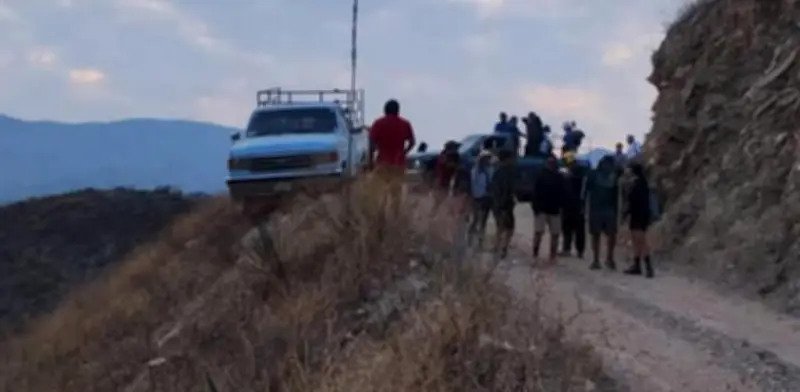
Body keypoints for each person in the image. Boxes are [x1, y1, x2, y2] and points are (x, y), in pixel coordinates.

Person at [585, 155, 620, 270]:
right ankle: (602, 259)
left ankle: (604, 259)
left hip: (604, 208)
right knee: (600, 234)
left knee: (604, 235)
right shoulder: (610, 176)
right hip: (601, 208)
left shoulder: (613, 176)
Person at [532, 155, 566, 265]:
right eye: (550, 162)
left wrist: (562, 206)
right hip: (542, 208)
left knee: (555, 234)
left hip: (554, 209)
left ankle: (552, 255)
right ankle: (535, 254)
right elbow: (535, 192)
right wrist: (535, 207)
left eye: (553, 162)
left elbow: (563, 193)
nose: (551, 164)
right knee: (539, 232)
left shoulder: (559, 177)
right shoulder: (541, 175)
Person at [623, 162, 654, 278]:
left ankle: (647, 266)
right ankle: (637, 265)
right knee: (637, 241)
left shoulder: (637, 185)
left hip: (638, 215)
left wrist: (626, 213)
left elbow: (632, 201)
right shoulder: (643, 183)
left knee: (641, 241)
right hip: (642, 215)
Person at [369, 99, 416, 172]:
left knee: (382, 183)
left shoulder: (378, 124)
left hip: (383, 163)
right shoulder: (405, 124)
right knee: (398, 182)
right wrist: (404, 152)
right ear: (398, 111)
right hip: (399, 163)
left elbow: (371, 143)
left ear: (385, 110)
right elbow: (412, 142)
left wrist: (371, 160)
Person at [489, 148, 517, 259]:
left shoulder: (499, 171)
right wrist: (503, 204)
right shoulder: (504, 172)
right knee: (507, 227)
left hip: (501, 203)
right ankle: (502, 248)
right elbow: (503, 190)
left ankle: (498, 246)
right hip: (504, 204)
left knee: (501, 227)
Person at [560, 151, 587, 258]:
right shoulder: (572, 173)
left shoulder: (577, 173)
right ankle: (573, 249)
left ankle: (572, 249)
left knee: (573, 228)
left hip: (576, 204)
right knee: (571, 228)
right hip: (571, 204)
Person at [467, 150, 494, 248]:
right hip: (478, 197)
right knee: (476, 219)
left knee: (484, 221)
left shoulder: (490, 170)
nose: (487, 160)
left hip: (487, 197)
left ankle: (480, 242)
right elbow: (473, 185)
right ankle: (470, 239)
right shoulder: (475, 171)